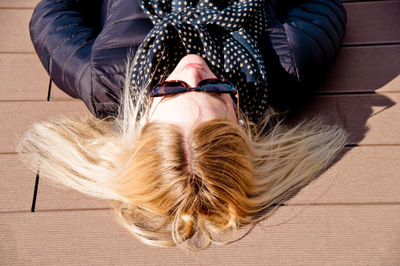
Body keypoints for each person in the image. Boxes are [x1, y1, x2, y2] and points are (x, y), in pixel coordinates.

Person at [19, 0, 348, 250]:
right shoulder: (285, 63)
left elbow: (53, 12)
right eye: (215, 90)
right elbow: (323, 6)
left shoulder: (101, 77)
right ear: (241, 121)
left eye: (171, 89)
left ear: (145, 117)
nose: (193, 73)